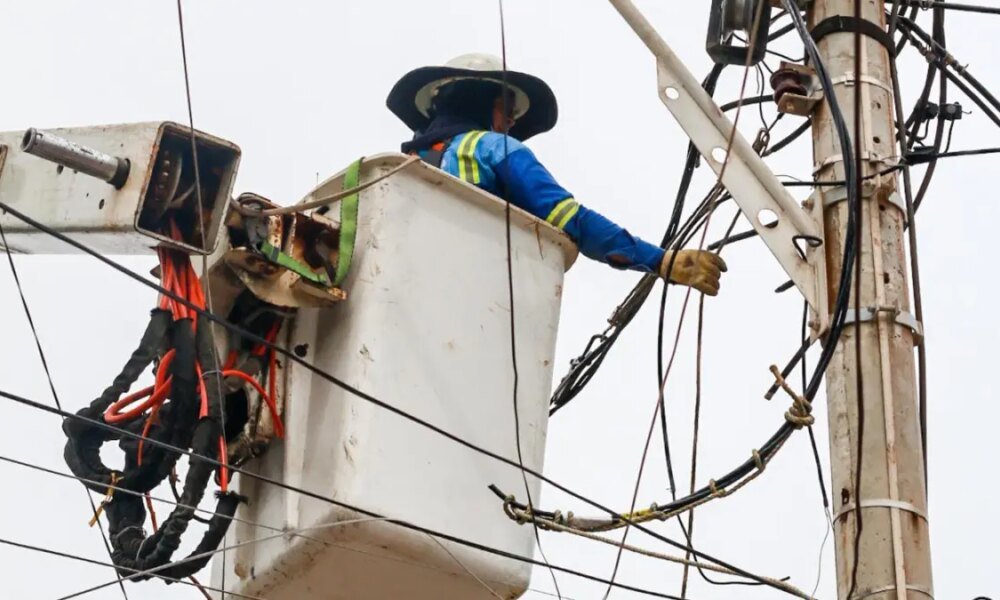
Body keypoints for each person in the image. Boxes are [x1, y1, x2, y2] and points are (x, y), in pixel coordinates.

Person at [386, 53, 727, 295]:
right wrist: (661, 260)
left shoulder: (401, 169)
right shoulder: (492, 147)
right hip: (474, 294)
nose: (513, 122)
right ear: (477, 99)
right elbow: (569, 219)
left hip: (402, 287)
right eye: (507, 107)